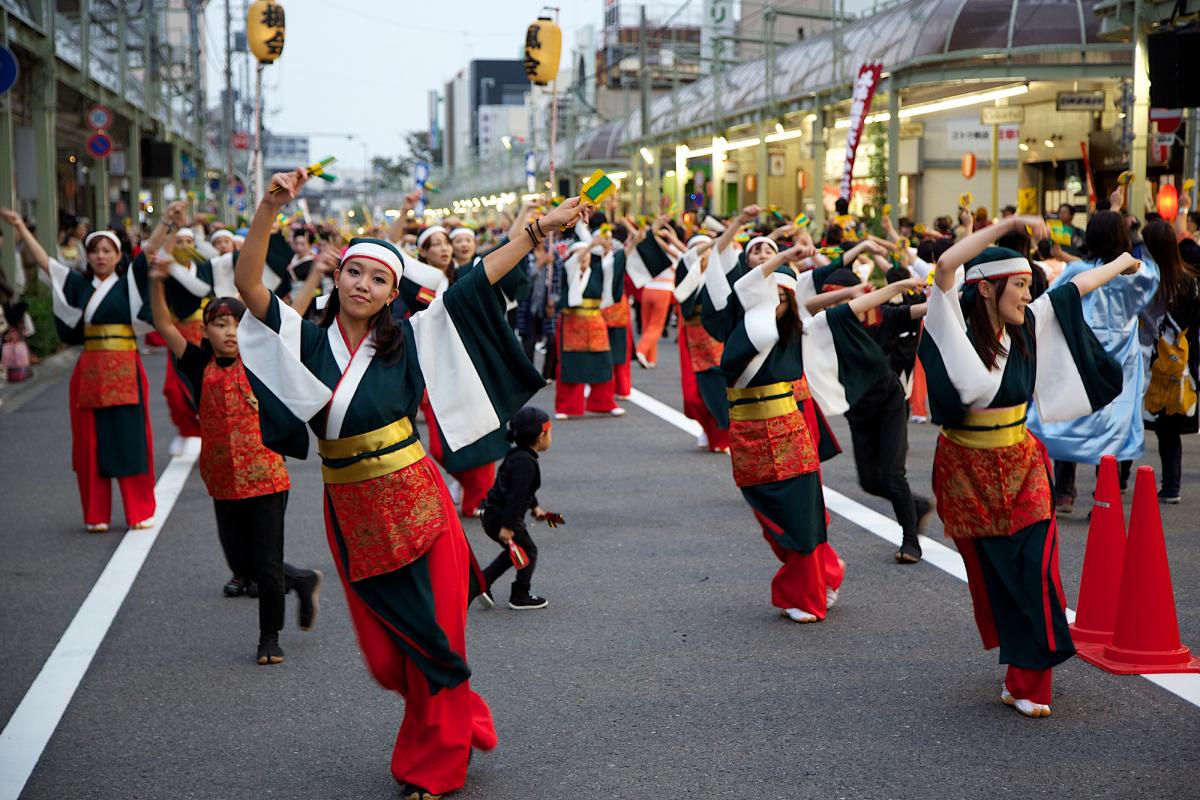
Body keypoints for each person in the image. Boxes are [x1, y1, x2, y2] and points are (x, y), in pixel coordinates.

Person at [234, 169, 584, 798]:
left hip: (419, 504)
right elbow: (246, 282)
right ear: (337, 277)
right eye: (354, 273)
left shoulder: (412, 341)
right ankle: (463, 714)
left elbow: (477, 283)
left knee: (435, 640)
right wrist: (270, 206)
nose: (363, 285)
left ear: (393, 292)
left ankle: (437, 765)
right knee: (387, 657)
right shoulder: (307, 342)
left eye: (379, 278)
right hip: (351, 511)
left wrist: (536, 231)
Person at [919, 214, 1134, 718]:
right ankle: (1019, 674)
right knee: (999, 580)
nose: (1025, 293)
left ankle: (1032, 680)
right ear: (987, 291)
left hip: (1021, 463)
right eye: (1017, 285)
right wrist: (1009, 223)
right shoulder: (950, 321)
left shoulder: (1029, 326)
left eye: (1026, 285)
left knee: (1037, 572)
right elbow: (948, 263)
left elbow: (1073, 288)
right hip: (966, 470)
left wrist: (1123, 261)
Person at [720, 240, 907, 624]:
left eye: (784, 295)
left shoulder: (801, 327)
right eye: (769, 291)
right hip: (748, 434)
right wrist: (787, 256)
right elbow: (751, 286)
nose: (775, 299)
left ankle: (805, 595)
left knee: (801, 516)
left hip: (789, 430)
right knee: (771, 518)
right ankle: (825, 569)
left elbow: (854, 306)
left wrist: (896, 289)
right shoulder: (751, 325)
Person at [147, 264, 321, 664]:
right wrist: (157, 281)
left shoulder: (263, 361)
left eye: (235, 324)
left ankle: (269, 639)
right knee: (243, 564)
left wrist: (314, 277)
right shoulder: (196, 365)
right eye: (218, 323)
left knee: (267, 563)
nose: (228, 331)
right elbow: (161, 322)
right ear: (205, 331)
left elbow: (292, 312)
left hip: (267, 478)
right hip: (222, 480)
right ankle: (302, 579)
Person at [1, 208, 156, 533]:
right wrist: (20, 228)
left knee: (130, 440)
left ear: (118, 256)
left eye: (106, 251)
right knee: (89, 444)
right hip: (90, 371)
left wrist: (168, 221)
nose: (100, 256)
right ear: (87, 256)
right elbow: (48, 264)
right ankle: (96, 512)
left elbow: (151, 251)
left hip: (126, 367)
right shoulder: (78, 285)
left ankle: (138, 509)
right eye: (94, 251)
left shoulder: (129, 283)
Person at [1029, 210, 1160, 511]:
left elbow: (1051, 302)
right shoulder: (1135, 275)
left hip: (1082, 352)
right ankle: (1105, 496)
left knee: (1069, 412)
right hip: (1122, 360)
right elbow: (1150, 275)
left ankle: (1064, 491)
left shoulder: (1079, 272)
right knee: (1113, 426)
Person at [817, 267, 933, 563]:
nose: (838, 306)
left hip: (890, 403)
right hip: (857, 410)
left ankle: (910, 542)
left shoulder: (881, 316)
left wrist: (954, 294)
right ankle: (917, 507)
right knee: (869, 481)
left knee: (893, 475)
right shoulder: (824, 326)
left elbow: (923, 308)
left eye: (844, 298)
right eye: (831, 299)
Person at [1139, 220, 1200, 504]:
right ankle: (1172, 484)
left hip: (1145, 358)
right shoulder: (1189, 280)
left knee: (1132, 419)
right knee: (1170, 428)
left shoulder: (1144, 280)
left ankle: (1121, 478)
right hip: (1179, 361)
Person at [477, 406, 558, 610]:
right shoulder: (526, 463)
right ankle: (520, 595)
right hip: (502, 517)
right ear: (542, 436)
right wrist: (508, 527)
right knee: (529, 551)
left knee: (515, 551)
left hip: (493, 514)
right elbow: (516, 496)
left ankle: (482, 582)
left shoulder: (518, 455)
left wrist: (535, 507)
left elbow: (522, 489)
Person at [554, 238, 625, 419]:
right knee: (571, 364)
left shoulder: (598, 272)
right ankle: (566, 407)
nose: (583, 257)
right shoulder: (569, 271)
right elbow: (572, 264)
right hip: (573, 321)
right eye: (578, 253)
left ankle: (604, 402)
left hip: (595, 321)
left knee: (602, 362)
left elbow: (613, 267)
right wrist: (590, 247)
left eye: (585, 254)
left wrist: (617, 247)